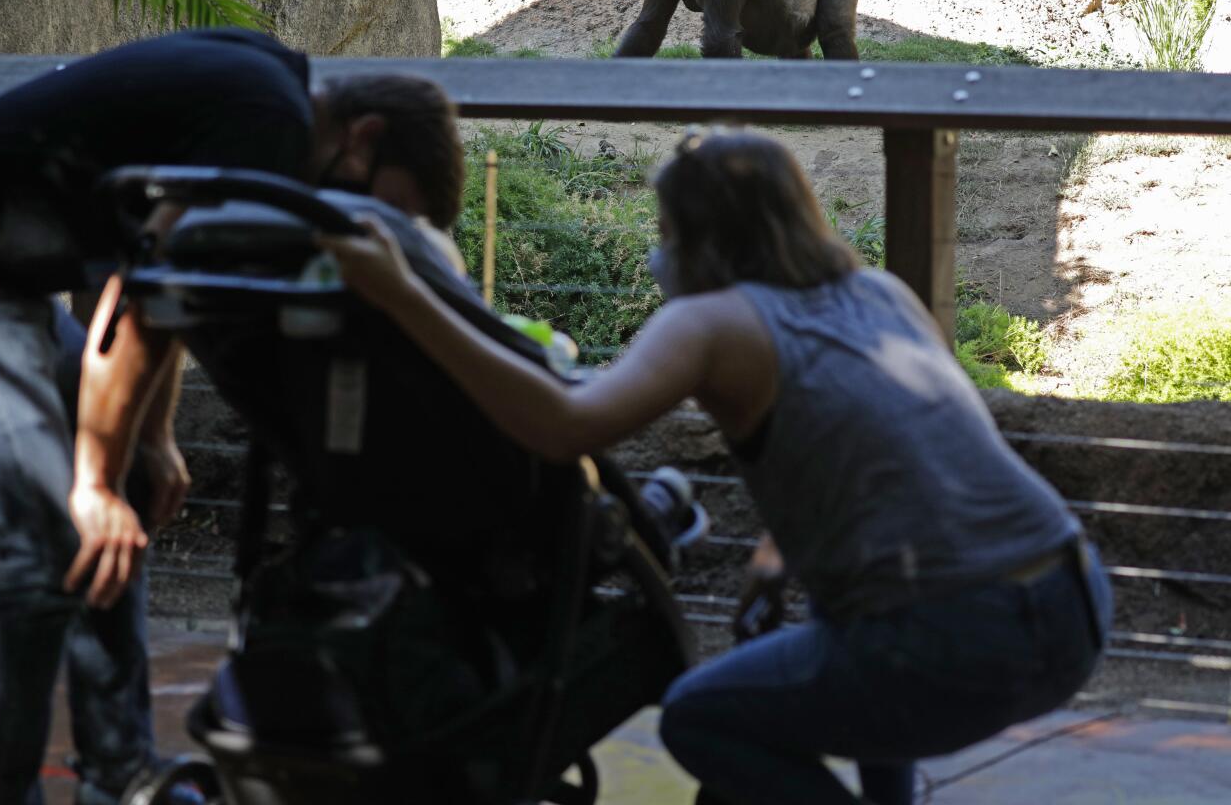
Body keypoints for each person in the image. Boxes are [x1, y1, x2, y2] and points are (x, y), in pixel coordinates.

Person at [319, 127, 1112, 805]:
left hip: (958, 636)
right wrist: (781, 551)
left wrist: (400, 296)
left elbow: (565, 427)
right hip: (1072, 598)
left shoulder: (709, 321)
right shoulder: (878, 292)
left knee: (703, 715)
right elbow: (883, 451)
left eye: (666, 229)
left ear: (697, 238)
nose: (660, 248)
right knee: (846, 625)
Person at [0, 27, 465, 805]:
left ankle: (119, 772)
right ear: (365, 136)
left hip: (11, 280)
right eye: (378, 207)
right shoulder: (269, 123)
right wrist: (93, 479)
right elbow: (144, 298)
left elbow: (155, 277)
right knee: (55, 540)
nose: (356, 226)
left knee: (124, 492)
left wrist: (148, 442)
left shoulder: (271, 83)